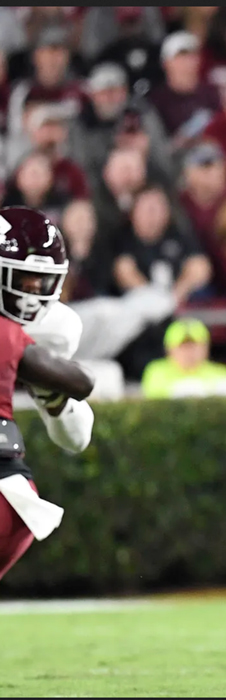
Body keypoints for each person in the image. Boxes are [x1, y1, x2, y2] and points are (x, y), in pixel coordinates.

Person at [0, 206, 97, 581]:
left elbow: (76, 435)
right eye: (21, 281)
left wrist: (50, 394)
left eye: (40, 283)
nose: (29, 297)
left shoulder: (51, 328)